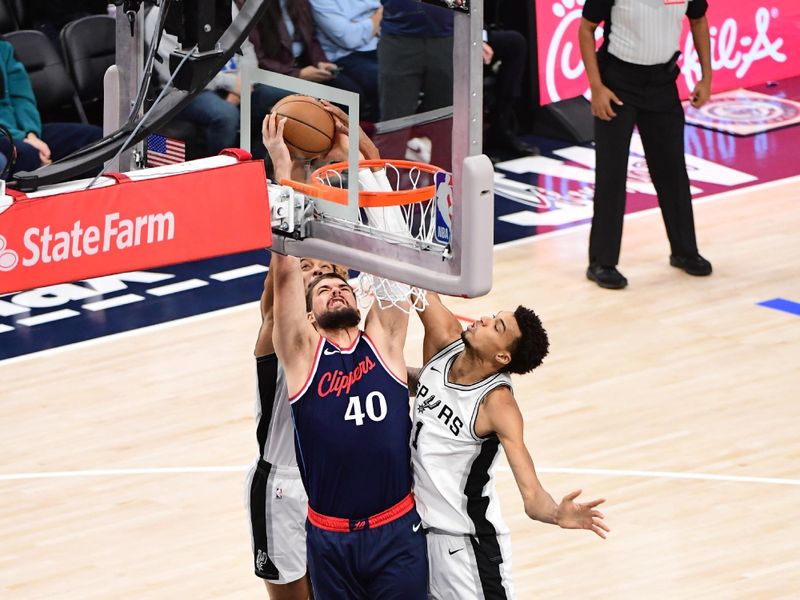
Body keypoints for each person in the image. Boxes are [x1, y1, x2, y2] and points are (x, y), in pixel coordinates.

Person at [267, 117, 427, 599]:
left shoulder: (385, 343)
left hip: (396, 530)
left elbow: (396, 258)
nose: (335, 287)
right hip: (330, 537)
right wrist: (284, 171)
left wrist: (361, 166)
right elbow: (287, 269)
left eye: (342, 284)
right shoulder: (301, 356)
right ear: (309, 319)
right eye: (323, 290)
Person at [409, 293, 609, 598]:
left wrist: (557, 513)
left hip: (466, 544)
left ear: (502, 357)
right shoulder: (445, 338)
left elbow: (532, 495)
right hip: (416, 529)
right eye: (493, 316)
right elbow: (415, 287)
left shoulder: (498, 405)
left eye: (496, 327)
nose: (484, 320)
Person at [578, 0, 713, 289]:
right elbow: (586, 29)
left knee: (673, 171)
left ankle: (684, 251)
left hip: (662, 82)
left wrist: (706, 77)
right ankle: (602, 262)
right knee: (612, 174)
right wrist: (596, 87)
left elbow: (699, 20)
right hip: (617, 82)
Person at [246, 256, 347, 600]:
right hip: (283, 487)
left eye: (324, 268)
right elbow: (274, 305)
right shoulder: (276, 335)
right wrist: (283, 241)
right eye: (306, 266)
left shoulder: (345, 335)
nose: (318, 271)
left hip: (332, 484)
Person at [144, 3, 257, 157]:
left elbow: (246, 47)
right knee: (226, 115)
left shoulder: (226, 3)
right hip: (189, 90)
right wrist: (230, 83)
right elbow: (176, 74)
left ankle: (261, 168)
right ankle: (217, 175)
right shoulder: (161, 13)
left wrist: (244, 81)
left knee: (281, 97)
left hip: (238, 80)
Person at [0, 40, 102, 178]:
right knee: (27, 154)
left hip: (21, 134)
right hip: (5, 136)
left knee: (94, 139)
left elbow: (22, 98)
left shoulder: (4, 47)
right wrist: (21, 138)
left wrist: (31, 134)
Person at [378, 0, 454, 120]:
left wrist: (478, 33)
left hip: (449, 38)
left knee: (443, 117)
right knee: (394, 118)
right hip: (398, 39)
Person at [308, 0, 383, 121]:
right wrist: (380, 15)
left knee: (420, 63)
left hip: (384, 41)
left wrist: (363, 24)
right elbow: (349, 38)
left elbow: (396, 9)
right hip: (346, 56)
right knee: (387, 79)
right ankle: (382, 135)